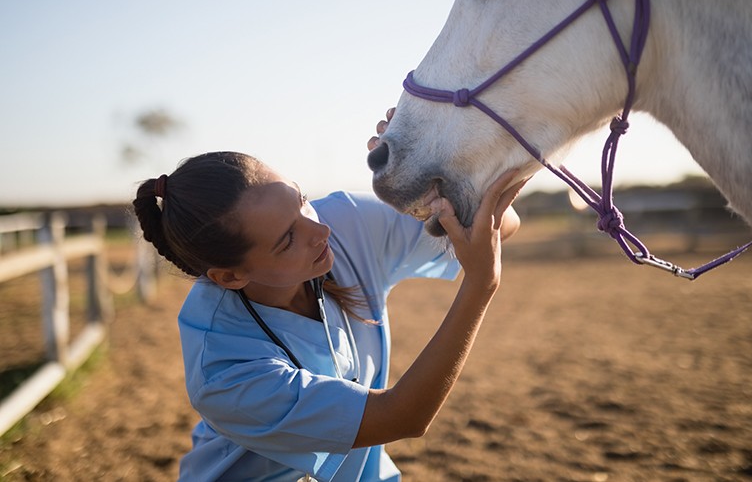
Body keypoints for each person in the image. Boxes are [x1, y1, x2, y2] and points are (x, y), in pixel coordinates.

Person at [132, 110, 528, 482]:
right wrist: (480, 285)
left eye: (301, 199)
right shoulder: (223, 371)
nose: (318, 231)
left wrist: (435, 175)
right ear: (231, 276)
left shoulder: (345, 220)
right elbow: (402, 417)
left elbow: (501, 224)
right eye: (287, 239)